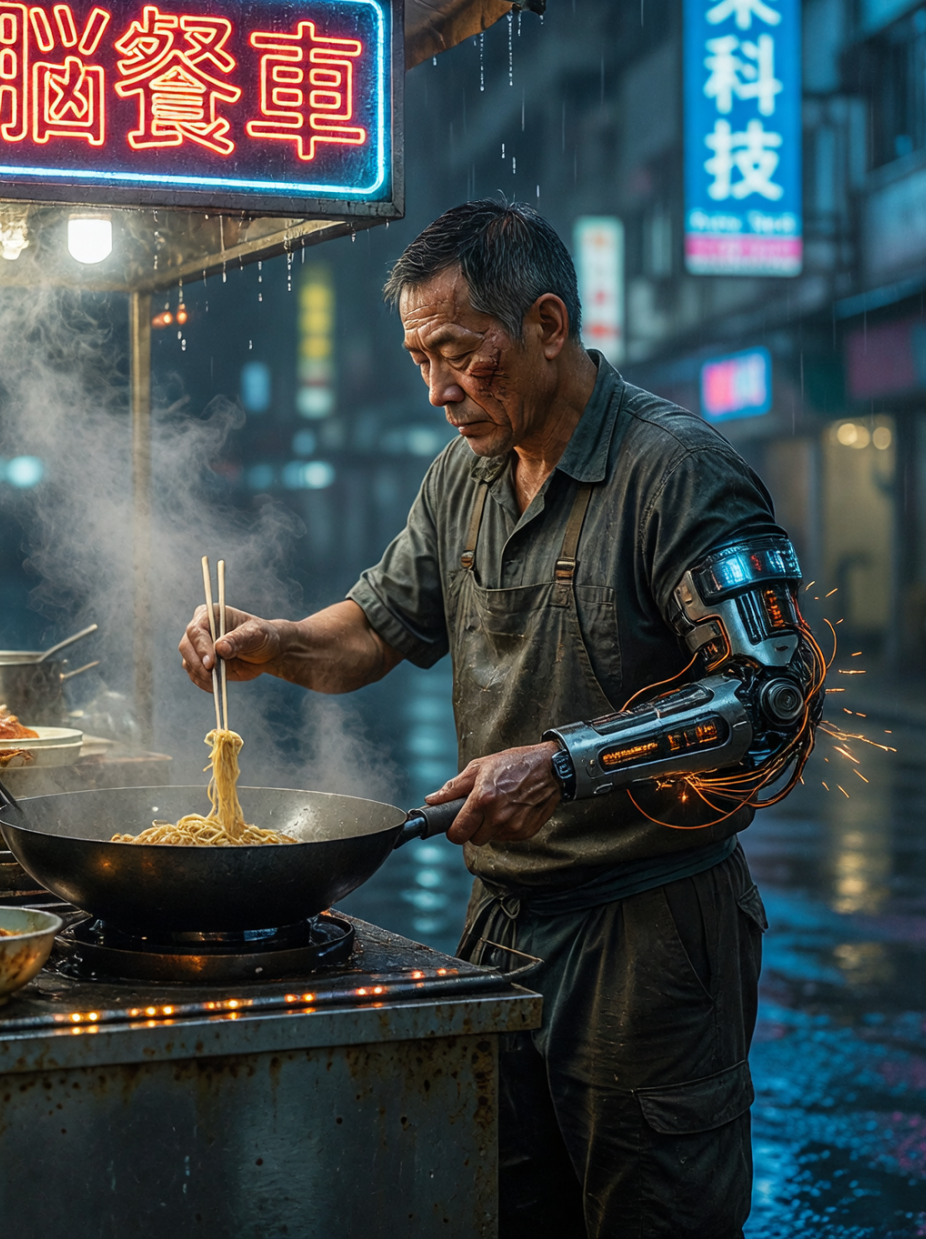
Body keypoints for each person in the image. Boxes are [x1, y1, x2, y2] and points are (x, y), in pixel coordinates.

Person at [179, 199, 793, 1238]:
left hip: (648, 925)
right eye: (421, 358)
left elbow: (766, 698)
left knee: (651, 1212)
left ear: (548, 325)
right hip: (503, 920)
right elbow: (371, 630)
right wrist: (274, 641)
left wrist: (558, 765)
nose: (437, 389)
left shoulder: (675, 472)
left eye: (461, 354)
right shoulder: (462, 478)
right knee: (506, 1202)